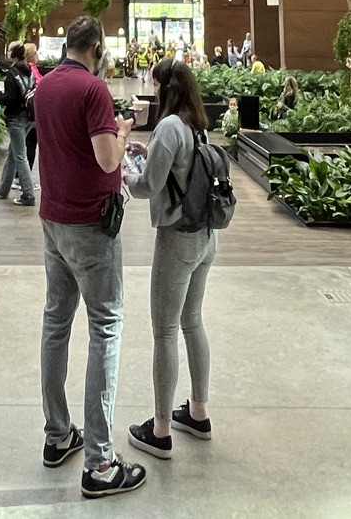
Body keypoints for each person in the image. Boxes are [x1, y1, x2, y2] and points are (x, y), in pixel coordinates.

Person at [34, 16, 144, 499]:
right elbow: (107, 159)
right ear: (96, 46)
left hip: (53, 219)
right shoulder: (93, 89)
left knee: (56, 323)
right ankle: (100, 464)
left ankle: (58, 435)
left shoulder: (45, 87)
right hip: (91, 226)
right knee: (106, 327)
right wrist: (121, 130)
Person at [127, 58, 218, 461]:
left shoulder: (168, 126)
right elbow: (182, 167)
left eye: (155, 84)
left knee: (164, 332)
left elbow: (149, 185)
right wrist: (148, 152)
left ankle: (160, 431)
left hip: (177, 240)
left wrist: (123, 175)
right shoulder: (196, 125)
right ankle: (198, 413)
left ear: (166, 87)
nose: (152, 90)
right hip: (205, 237)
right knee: (192, 322)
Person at [0, 41, 37, 206]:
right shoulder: (29, 71)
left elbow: (8, 100)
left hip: (16, 118)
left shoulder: (12, 75)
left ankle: (28, 195)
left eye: (9, 50)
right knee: (13, 152)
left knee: (19, 156)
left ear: (13, 54)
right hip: (29, 117)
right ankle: (3, 188)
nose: (7, 52)